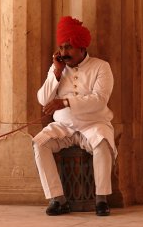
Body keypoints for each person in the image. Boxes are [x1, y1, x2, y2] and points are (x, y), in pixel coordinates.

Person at [32, 16, 116, 216]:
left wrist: (66, 102)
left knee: (103, 142)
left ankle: (102, 199)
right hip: (64, 127)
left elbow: (99, 100)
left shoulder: (101, 67)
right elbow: (43, 99)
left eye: (68, 47)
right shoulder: (58, 69)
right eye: (61, 48)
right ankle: (57, 199)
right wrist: (56, 73)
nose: (64, 53)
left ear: (81, 47)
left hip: (93, 124)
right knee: (39, 143)